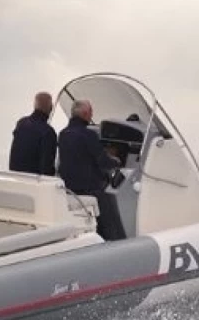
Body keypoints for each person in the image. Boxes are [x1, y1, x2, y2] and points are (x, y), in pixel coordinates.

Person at [58, 99, 127, 241]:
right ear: (85, 114)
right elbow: (103, 161)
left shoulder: (64, 134)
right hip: (90, 189)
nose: (92, 115)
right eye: (91, 112)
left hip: (71, 189)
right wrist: (117, 161)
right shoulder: (88, 135)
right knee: (111, 220)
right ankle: (116, 242)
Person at [9, 92, 57, 176]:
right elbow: (47, 167)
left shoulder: (21, 123)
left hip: (15, 177)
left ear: (35, 105)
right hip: (34, 181)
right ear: (51, 108)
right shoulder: (48, 132)